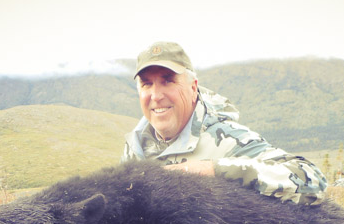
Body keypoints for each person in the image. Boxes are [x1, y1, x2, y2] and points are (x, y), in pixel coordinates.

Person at [123, 41, 328, 204]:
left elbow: (312, 181)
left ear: (193, 88)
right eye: (146, 84)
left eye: (168, 81)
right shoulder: (135, 148)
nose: (156, 95)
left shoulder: (229, 140)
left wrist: (214, 170)